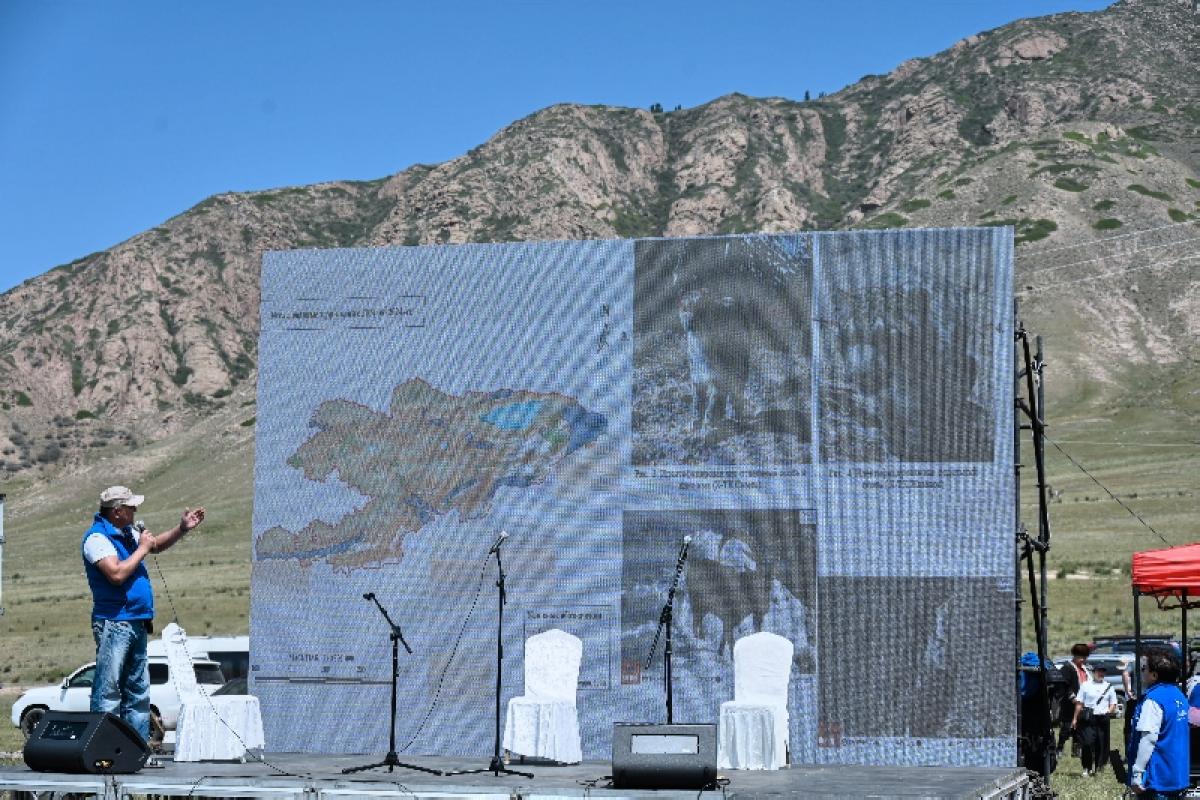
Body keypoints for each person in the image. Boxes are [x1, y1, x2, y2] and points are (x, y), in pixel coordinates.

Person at [82, 485, 205, 741]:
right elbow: (116, 574)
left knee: (138, 690)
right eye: (130, 507)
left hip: (135, 621)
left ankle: (136, 749)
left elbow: (155, 545)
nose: (135, 510)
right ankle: (103, 746)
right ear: (116, 511)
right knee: (109, 690)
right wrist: (142, 549)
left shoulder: (127, 532)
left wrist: (181, 528)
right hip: (114, 622)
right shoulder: (97, 539)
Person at [1127, 648, 1189, 798]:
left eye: (1144, 668)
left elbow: (1149, 738)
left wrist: (1137, 773)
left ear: (1154, 675)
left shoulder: (1153, 700)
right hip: (1177, 776)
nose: (1141, 672)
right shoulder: (1179, 696)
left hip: (1157, 779)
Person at [1073, 662, 1118, 776]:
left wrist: (1109, 711)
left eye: (1103, 671)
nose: (1101, 673)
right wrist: (1075, 718)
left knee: (1101, 744)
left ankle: (1098, 766)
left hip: (1102, 718)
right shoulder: (1086, 685)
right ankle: (1086, 767)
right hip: (1088, 718)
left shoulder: (1109, 686)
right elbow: (1079, 703)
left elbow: (1113, 703)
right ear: (1094, 672)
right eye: (1099, 671)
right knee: (1087, 743)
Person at [1058, 643, 1092, 755]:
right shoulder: (1067, 668)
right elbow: (1063, 685)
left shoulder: (1085, 669)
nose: (1083, 659)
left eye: (1085, 657)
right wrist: (1073, 698)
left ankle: (1077, 750)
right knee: (1067, 728)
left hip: (1083, 704)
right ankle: (1060, 748)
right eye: (1081, 657)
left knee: (1080, 729)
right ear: (1075, 656)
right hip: (1070, 704)